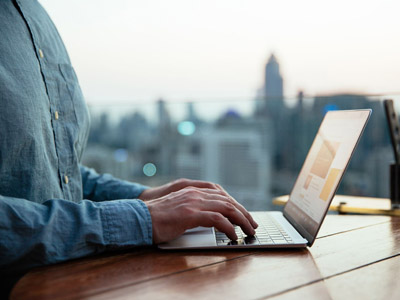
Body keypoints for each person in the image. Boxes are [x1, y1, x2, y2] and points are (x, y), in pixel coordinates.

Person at [0, 0, 257, 296]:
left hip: (75, 281)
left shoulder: (35, 15)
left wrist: (145, 197)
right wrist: (142, 218)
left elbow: (53, 170)